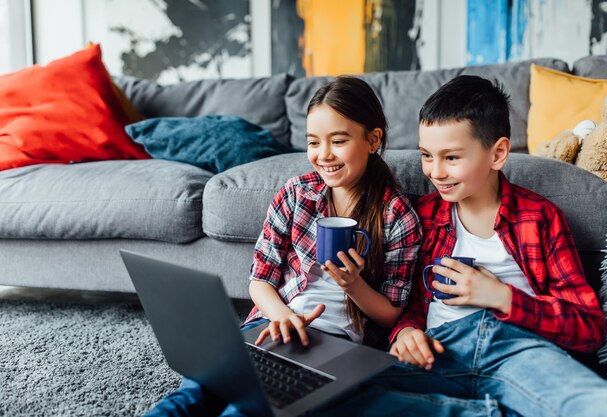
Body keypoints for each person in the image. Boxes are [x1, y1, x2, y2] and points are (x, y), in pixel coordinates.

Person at [317, 74, 607, 417]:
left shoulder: (539, 218)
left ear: (498, 153)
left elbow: (589, 327)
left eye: (451, 158)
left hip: (516, 349)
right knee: (331, 396)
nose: (435, 172)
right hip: (439, 351)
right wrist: (405, 332)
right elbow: (408, 305)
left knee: (600, 407)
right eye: (426, 155)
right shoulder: (421, 218)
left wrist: (501, 297)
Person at [144, 76, 422, 417]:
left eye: (338, 140)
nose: (324, 155)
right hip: (272, 322)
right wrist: (283, 316)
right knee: (195, 391)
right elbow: (259, 279)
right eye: (314, 143)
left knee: (249, 408)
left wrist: (354, 285)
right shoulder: (296, 194)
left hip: (335, 344)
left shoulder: (397, 215)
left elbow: (391, 311)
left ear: (373, 139)